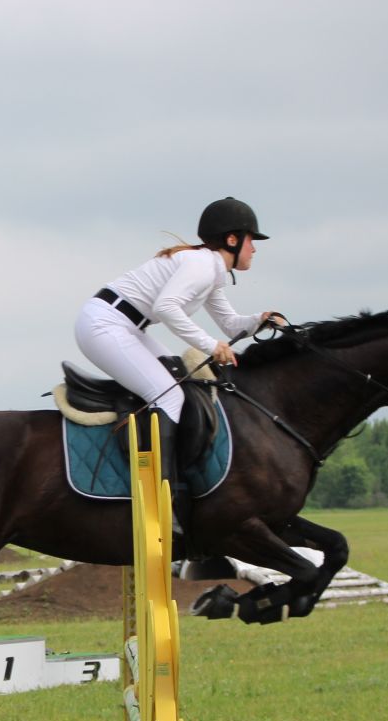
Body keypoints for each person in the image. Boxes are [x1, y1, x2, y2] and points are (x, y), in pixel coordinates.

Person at [74, 196, 278, 532]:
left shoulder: (211, 271)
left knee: (177, 380)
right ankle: (160, 498)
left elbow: (230, 324)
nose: (254, 249)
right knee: (170, 396)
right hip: (104, 325)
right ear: (232, 239)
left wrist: (263, 319)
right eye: (252, 240)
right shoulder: (200, 266)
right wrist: (211, 346)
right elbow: (168, 308)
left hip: (122, 325)